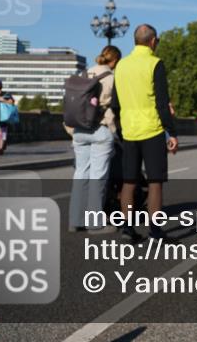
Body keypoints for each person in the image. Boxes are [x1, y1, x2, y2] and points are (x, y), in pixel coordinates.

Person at [110, 25, 179, 243]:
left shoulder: (121, 65)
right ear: (153, 41)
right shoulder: (155, 63)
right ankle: (155, 232)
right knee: (155, 182)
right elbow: (161, 103)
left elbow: (115, 103)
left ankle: (127, 230)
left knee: (129, 182)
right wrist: (171, 131)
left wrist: (122, 128)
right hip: (152, 129)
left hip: (129, 131)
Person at [69, 45, 120, 233]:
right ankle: (94, 223)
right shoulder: (111, 78)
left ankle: (75, 220)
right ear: (114, 60)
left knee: (80, 173)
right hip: (100, 128)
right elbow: (115, 106)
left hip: (79, 130)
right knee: (98, 176)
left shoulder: (85, 73)